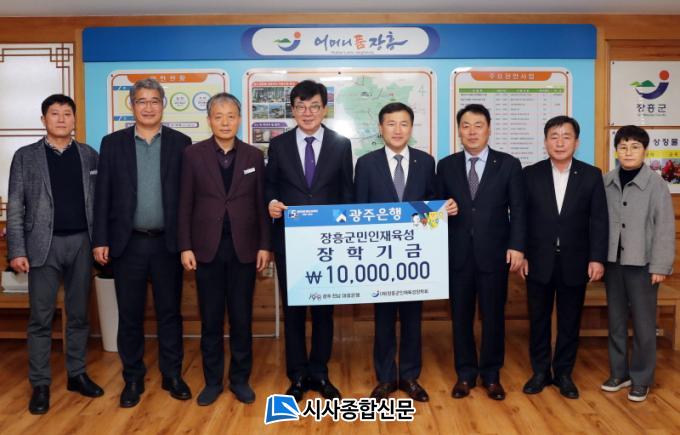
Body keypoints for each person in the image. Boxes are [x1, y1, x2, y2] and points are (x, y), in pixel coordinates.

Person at [92, 78, 192, 408]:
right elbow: (103, 194)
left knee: (170, 313)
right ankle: (133, 378)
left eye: (154, 101)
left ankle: (172, 375)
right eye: (141, 101)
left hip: (167, 244)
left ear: (163, 105)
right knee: (130, 315)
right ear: (131, 105)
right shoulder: (112, 143)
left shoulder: (181, 143)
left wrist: (187, 242)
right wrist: (100, 239)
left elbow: (188, 198)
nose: (148, 107)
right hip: (128, 244)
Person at [7, 94, 103, 414]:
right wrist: (17, 250)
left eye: (67, 114)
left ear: (74, 119)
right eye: (54, 113)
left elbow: (99, 203)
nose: (61, 119)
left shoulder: (89, 155)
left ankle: (77, 374)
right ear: (43, 120)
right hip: (42, 246)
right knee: (41, 317)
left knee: (78, 315)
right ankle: (40, 383)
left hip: (82, 243)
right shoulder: (26, 156)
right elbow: (16, 206)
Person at [355, 102, 458, 402]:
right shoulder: (366, 163)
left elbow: (432, 206)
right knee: (383, 319)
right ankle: (386, 378)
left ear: (411, 128)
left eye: (403, 124)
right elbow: (358, 209)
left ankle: (410, 377)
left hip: (415, 256)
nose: (397, 130)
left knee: (413, 319)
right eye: (391, 123)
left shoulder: (426, 162)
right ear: (380, 128)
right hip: (381, 257)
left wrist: (444, 208)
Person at [177, 93, 271, 406]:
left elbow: (260, 204)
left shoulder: (253, 156)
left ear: (239, 119)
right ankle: (213, 381)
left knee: (242, 319)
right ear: (209, 120)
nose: (225, 122)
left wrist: (265, 245)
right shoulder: (193, 155)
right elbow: (184, 204)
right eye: (218, 116)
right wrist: (185, 246)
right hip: (207, 249)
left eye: (231, 116)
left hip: (245, 249)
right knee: (211, 320)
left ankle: (240, 380)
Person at [265, 80, 353, 402]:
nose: (307, 112)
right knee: (293, 311)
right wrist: (271, 203)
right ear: (292, 110)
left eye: (314, 106)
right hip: (290, 241)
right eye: (301, 107)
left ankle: (320, 371)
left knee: (323, 312)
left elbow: (347, 194)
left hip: (327, 243)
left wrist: (343, 236)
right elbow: (270, 186)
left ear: (324, 109)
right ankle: (297, 374)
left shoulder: (341, 144)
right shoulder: (279, 145)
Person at [436, 103, 526, 401]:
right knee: (460, 318)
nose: (472, 131)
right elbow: (435, 208)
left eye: (478, 125)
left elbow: (519, 209)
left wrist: (517, 246)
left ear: (489, 129)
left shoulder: (509, 164)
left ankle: (491, 375)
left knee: (493, 317)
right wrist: (442, 208)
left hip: (495, 254)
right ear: (459, 131)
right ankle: (465, 374)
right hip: (457, 254)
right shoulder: (446, 165)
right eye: (466, 126)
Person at [520, 116, 608, 399]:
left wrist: (597, 258)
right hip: (537, 260)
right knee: (539, 320)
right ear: (545, 142)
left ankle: (564, 374)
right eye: (554, 136)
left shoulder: (591, 175)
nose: (560, 142)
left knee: (570, 320)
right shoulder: (530, 174)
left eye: (566, 136)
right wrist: (522, 253)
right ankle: (540, 372)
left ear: (576, 142)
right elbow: (521, 218)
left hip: (576, 260)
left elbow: (599, 220)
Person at [601, 125, 674, 402]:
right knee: (616, 321)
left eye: (634, 147)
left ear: (645, 151)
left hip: (643, 264)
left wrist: (660, 266)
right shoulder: (606, 181)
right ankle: (619, 373)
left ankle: (641, 378)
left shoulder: (656, 184)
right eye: (623, 147)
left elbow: (665, 227)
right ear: (616, 151)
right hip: (613, 263)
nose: (628, 152)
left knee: (644, 325)